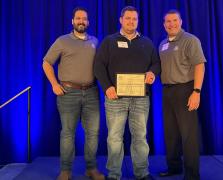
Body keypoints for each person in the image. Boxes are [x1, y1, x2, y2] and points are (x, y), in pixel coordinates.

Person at [94, 6, 160, 180]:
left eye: (134, 19)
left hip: (141, 99)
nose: (131, 21)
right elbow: (98, 66)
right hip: (115, 98)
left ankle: (142, 173)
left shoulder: (147, 42)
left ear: (138, 21)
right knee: (114, 138)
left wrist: (153, 72)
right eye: (128, 18)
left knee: (140, 137)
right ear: (121, 20)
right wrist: (107, 87)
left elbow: (156, 64)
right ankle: (114, 174)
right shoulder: (109, 41)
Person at [42, 7, 104, 180]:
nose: (81, 21)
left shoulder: (95, 41)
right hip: (68, 93)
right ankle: (65, 171)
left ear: (88, 22)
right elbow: (46, 62)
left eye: (84, 18)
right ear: (72, 21)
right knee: (68, 133)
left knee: (93, 133)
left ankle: (91, 169)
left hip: (91, 92)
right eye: (78, 18)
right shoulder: (62, 41)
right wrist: (54, 84)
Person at [159, 9, 206, 180]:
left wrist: (196, 92)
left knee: (188, 135)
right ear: (164, 25)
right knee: (170, 133)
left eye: (174, 20)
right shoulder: (162, 44)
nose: (171, 24)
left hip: (186, 90)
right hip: (167, 91)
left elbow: (200, 66)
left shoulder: (190, 40)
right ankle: (174, 167)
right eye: (168, 21)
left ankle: (192, 174)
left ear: (181, 22)